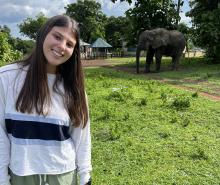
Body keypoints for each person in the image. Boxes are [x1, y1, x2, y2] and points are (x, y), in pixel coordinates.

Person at [0, 15, 92, 185]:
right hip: (21, 175)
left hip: (63, 176)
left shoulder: (74, 89)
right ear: (44, 34)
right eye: (57, 37)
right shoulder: (6, 78)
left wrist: (85, 176)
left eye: (69, 44)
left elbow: (82, 137)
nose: (62, 46)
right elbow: (1, 135)